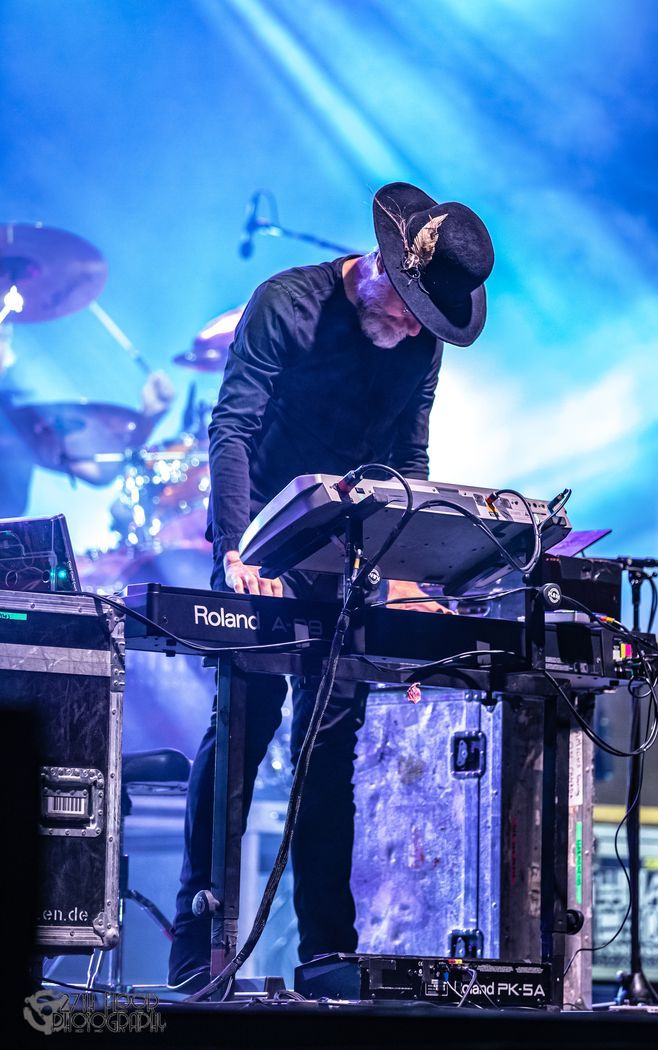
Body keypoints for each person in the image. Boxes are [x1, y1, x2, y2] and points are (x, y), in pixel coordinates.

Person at [168, 181, 495, 988]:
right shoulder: (287, 303)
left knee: (331, 745)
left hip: (349, 557)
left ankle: (325, 951)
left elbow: (409, 460)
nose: (415, 330)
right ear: (384, 267)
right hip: (263, 540)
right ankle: (198, 941)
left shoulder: (419, 344)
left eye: (429, 323)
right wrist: (236, 550)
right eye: (411, 311)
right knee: (241, 727)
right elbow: (232, 427)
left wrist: (409, 569)